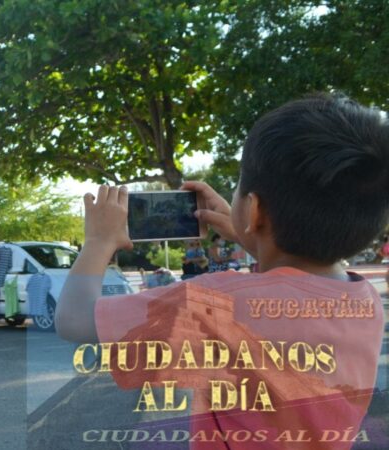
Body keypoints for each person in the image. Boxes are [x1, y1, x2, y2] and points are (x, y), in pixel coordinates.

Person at [55, 95, 388, 447]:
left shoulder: (213, 301)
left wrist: (97, 241)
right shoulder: (366, 303)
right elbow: (295, 282)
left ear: (254, 208)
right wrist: (253, 234)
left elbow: (74, 320)